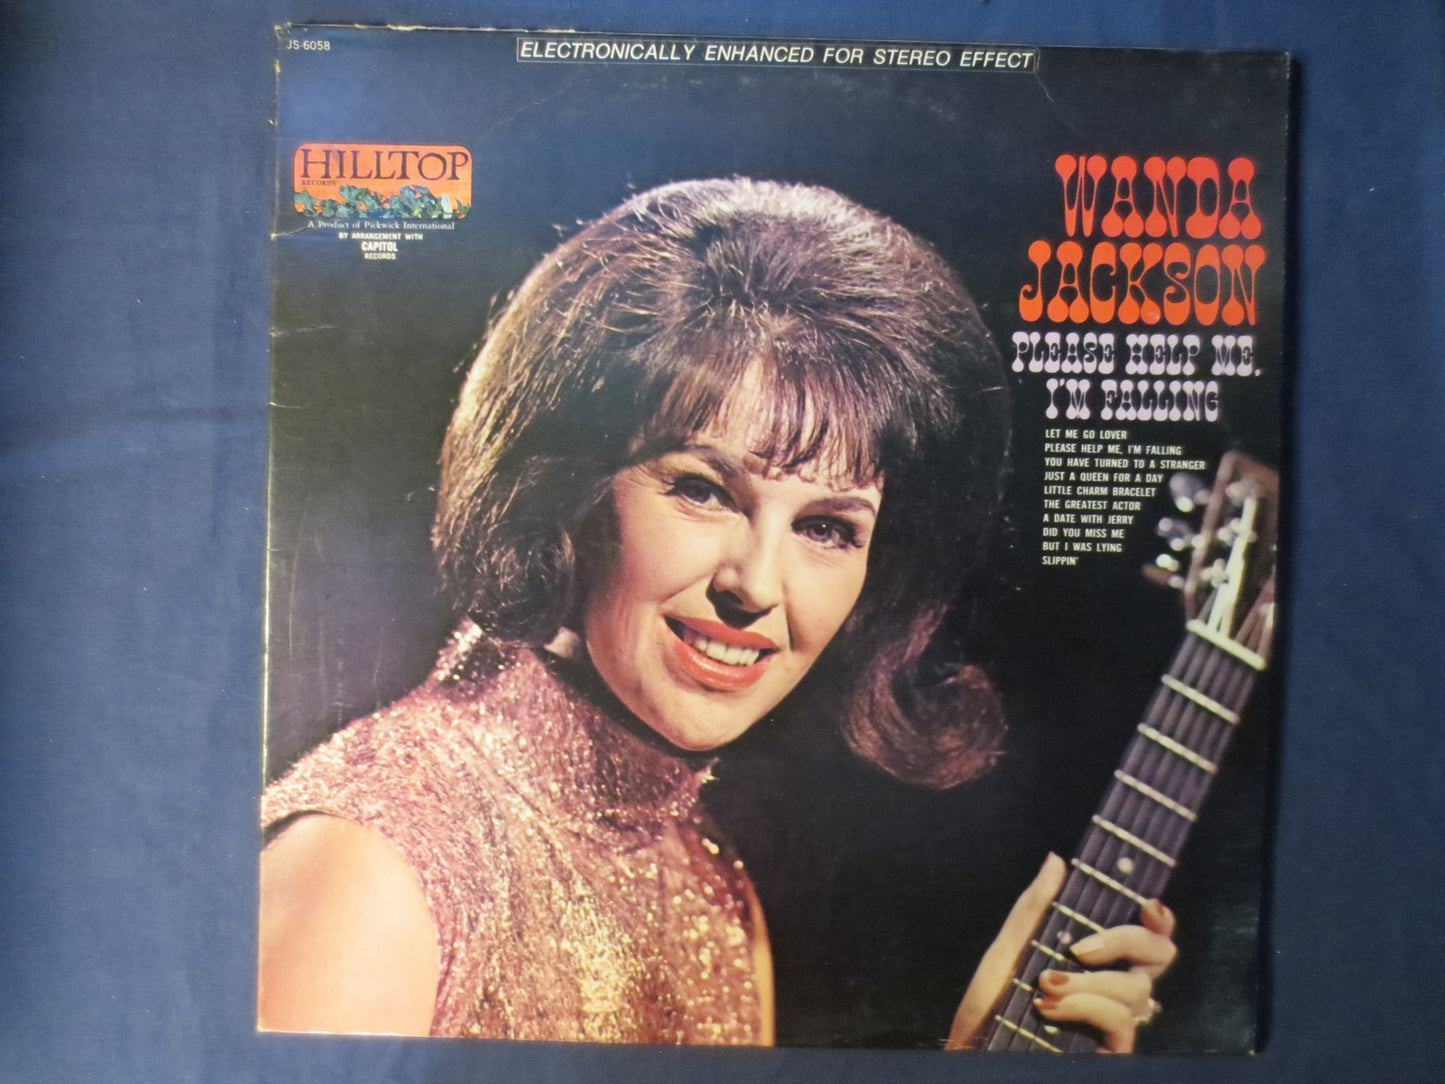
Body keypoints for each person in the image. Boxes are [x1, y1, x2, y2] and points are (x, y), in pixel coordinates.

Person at [259, 178, 1176, 1047]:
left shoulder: (713, 888)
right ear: (565, 485)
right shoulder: (373, 868)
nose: (757, 586)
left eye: (825, 528)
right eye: (702, 491)